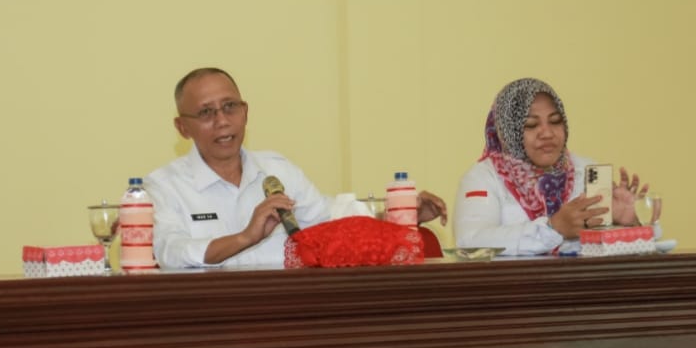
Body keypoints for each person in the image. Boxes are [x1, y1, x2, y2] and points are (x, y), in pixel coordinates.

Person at [145, 67, 447, 269]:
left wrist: (399, 216)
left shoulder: (277, 171)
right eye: (206, 113)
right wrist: (245, 237)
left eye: (230, 107)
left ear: (245, 112)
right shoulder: (163, 186)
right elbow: (171, 252)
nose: (222, 121)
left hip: (288, 311)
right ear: (182, 127)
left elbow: (330, 221)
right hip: (211, 317)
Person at [453, 77, 647, 255]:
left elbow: (606, 254)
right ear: (508, 131)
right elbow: (470, 243)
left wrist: (629, 224)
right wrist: (552, 228)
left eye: (555, 121)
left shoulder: (586, 170)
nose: (547, 133)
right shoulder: (484, 178)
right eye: (531, 125)